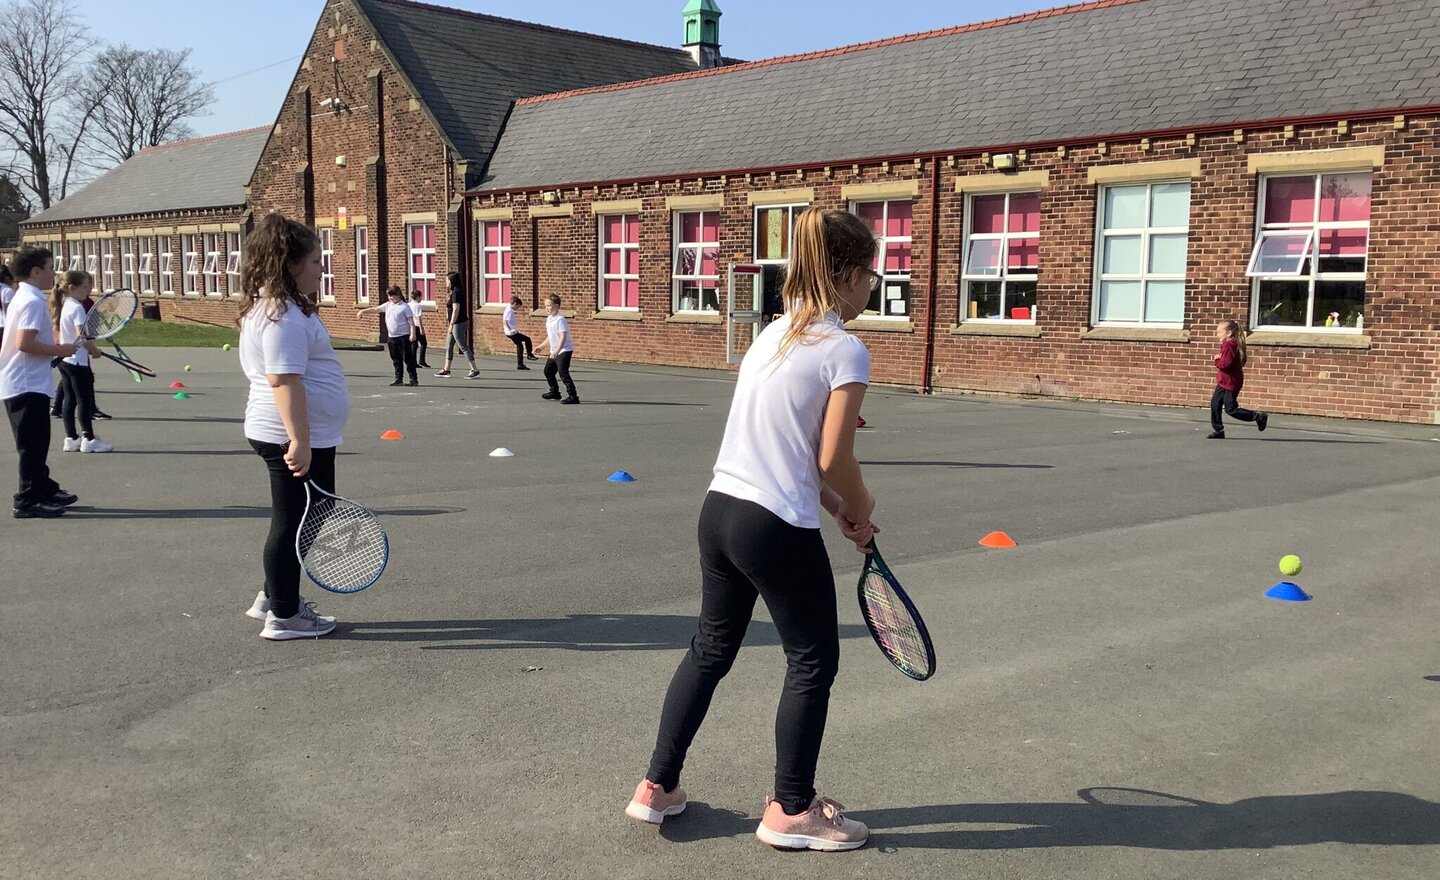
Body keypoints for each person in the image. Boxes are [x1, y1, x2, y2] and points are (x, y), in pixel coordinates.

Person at [625, 208, 880, 852]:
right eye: (872, 274)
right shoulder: (845, 349)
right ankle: (790, 810)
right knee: (813, 660)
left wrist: (838, 509)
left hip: (721, 511)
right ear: (850, 275)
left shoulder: (772, 336)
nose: (873, 287)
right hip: (772, 526)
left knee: (710, 650)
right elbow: (834, 457)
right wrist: (860, 501)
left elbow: (794, 454)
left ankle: (657, 786)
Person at [238, 212, 348, 640]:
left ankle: (273, 595)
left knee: (314, 511)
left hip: (301, 432)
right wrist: (299, 440)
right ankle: (284, 614)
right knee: (292, 521)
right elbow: (283, 380)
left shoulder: (287, 308)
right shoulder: (281, 315)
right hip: (289, 434)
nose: (322, 268)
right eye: (316, 261)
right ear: (290, 263)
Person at [1, 245, 79, 519]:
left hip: (26, 382)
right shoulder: (32, 301)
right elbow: (25, 343)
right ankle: (27, 500)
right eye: (49, 268)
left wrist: (54, 348)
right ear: (35, 272)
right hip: (24, 384)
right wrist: (60, 350)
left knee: (37, 442)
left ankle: (44, 488)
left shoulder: (24, 295)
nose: (53, 274)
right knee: (32, 446)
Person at [50, 270, 111, 453]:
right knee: (83, 400)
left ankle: (71, 438)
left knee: (70, 399)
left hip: (65, 361)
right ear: (72, 288)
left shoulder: (65, 304)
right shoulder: (77, 308)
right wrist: (94, 351)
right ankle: (89, 439)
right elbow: (82, 337)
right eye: (85, 287)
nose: (88, 290)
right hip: (77, 362)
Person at [1208, 319, 1268, 439]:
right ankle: (1219, 430)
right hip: (1224, 381)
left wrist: (1217, 359)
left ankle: (1258, 416)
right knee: (1215, 404)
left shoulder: (1229, 345)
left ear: (1229, 333)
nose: (1217, 335)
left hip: (1231, 382)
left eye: (1220, 332)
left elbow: (1226, 364)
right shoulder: (1228, 344)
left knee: (1231, 409)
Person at [357, 286, 418, 386]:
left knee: (407, 359)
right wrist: (363, 311)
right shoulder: (388, 305)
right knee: (396, 359)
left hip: (403, 336)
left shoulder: (404, 306)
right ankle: (398, 379)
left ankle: (413, 379)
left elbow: (411, 322)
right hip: (392, 337)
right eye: (389, 296)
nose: (390, 298)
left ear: (398, 295)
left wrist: (413, 334)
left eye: (392, 296)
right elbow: (376, 309)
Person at [532, 293, 577, 404]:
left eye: (549, 305)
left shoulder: (560, 319)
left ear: (556, 306)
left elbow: (563, 337)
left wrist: (557, 351)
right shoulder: (549, 319)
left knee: (563, 373)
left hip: (564, 350)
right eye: (545, 306)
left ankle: (573, 396)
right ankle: (555, 392)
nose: (546, 308)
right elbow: (551, 336)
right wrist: (541, 347)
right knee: (548, 371)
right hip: (554, 351)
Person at [433, 272, 480, 379]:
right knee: (449, 346)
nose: (446, 282)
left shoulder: (456, 293)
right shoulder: (453, 292)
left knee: (463, 346)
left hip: (458, 323)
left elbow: (456, 309)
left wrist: (451, 324)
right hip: (455, 323)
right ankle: (446, 369)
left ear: (452, 281)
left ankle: (475, 370)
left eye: (447, 280)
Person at [502, 293, 536, 370]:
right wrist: (511, 329)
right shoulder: (509, 310)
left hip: (510, 332)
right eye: (518, 306)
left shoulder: (509, 309)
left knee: (520, 346)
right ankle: (529, 355)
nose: (517, 308)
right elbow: (505, 321)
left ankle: (520, 364)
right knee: (527, 339)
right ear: (515, 304)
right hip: (511, 333)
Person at [408, 289, 431, 368]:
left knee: (414, 344)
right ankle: (421, 360)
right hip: (417, 326)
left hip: (411, 326)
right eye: (421, 297)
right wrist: (421, 328)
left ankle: (413, 361)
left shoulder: (408, 305)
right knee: (423, 343)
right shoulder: (417, 305)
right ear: (417, 297)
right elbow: (419, 318)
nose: (421, 298)